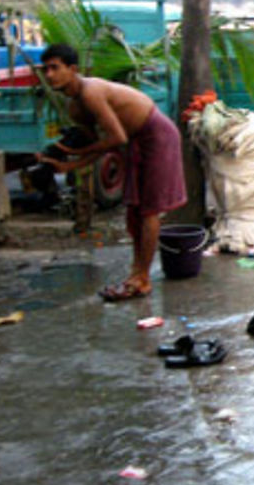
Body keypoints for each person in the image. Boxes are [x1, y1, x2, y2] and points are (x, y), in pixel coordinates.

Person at [37, 43, 186, 301]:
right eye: (45, 69)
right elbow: (99, 148)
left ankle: (143, 278)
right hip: (134, 141)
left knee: (149, 210)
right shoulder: (74, 107)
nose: (49, 75)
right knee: (134, 211)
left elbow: (114, 138)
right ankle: (136, 272)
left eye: (55, 68)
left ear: (72, 69)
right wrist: (68, 165)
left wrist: (76, 155)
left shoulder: (91, 92)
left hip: (156, 135)